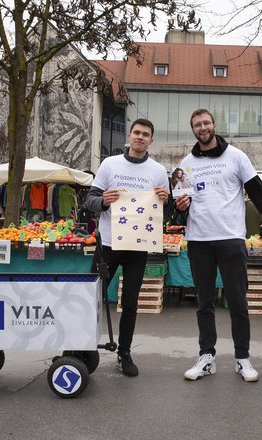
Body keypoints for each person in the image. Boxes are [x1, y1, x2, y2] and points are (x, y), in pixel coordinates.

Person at [174, 109, 262, 382]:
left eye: (206, 123)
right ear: (193, 129)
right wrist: (180, 207)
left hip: (230, 239)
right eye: (197, 125)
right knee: (204, 303)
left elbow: (259, 193)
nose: (202, 128)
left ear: (214, 125)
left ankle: (243, 358)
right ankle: (207, 357)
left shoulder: (236, 157)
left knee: (238, 302)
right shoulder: (186, 163)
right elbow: (179, 207)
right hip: (199, 240)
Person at [85, 118, 170, 377]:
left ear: (151, 140)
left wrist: (166, 201)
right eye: (137, 132)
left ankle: (124, 353)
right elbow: (88, 200)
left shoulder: (158, 171)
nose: (140, 137)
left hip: (137, 248)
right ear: (129, 136)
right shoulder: (110, 165)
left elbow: (165, 213)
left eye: (146, 134)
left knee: (130, 303)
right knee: (90, 298)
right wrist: (103, 201)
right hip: (108, 245)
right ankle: (80, 348)